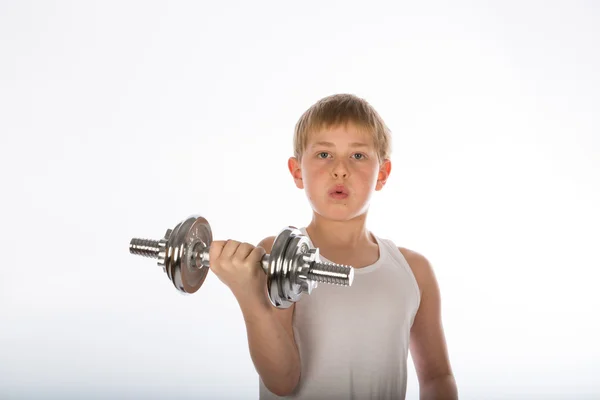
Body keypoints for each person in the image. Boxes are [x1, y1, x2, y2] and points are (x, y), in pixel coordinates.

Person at [208, 93, 458, 399]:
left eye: (358, 156)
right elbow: (282, 380)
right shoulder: (277, 253)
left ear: (383, 174)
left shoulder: (414, 271)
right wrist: (250, 297)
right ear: (297, 171)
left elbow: (436, 376)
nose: (340, 169)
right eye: (324, 155)